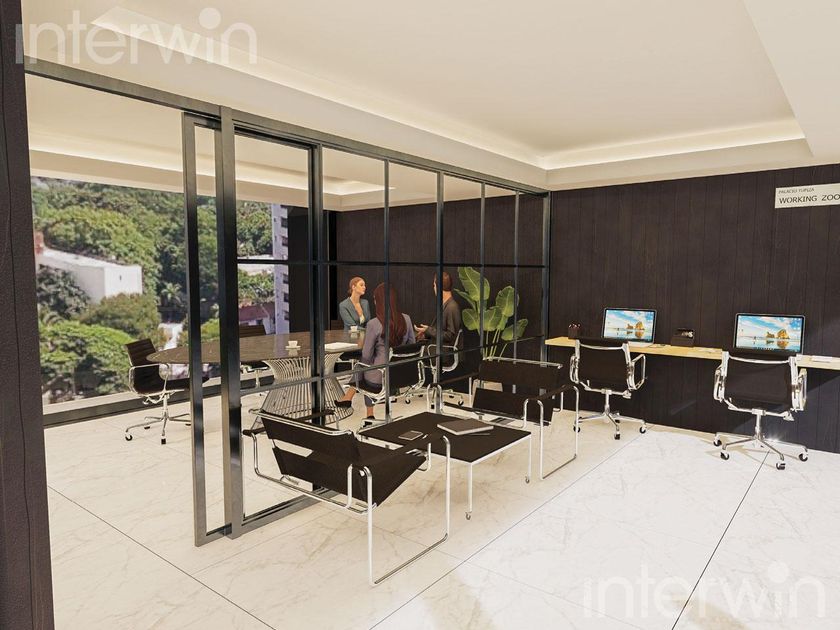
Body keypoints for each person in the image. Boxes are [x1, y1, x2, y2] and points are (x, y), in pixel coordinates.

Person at [336, 283, 415, 420]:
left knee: (363, 366)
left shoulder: (374, 324)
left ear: (378, 301)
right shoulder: (406, 319)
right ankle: (355, 404)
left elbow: (366, 355)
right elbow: (412, 346)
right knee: (367, 367)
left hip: (380, 379)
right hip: (401, 376)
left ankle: (360, 407)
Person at [415, 271, 462, 347]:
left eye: (434, 285)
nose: (434, 288)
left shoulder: (452, 307)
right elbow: (440, 332)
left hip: (441, 351)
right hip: (435, 348)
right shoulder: (446, 305)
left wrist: (428, 330)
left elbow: (450, 336)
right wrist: (426, 333)